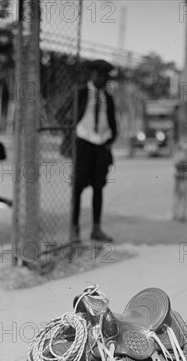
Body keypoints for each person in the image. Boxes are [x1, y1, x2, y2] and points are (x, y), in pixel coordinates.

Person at [71, 59, 117, 243]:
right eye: (99, 75)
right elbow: (64, 114)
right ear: (92, 75)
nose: (103, 79)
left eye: (105, 76)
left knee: (99, 187)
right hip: (83, 144)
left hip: (101, 146)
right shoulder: (81, 93)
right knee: (78, 187)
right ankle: (74, 229)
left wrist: (110, 139)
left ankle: (96, 229)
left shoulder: (108, 97)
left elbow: (112, 122)